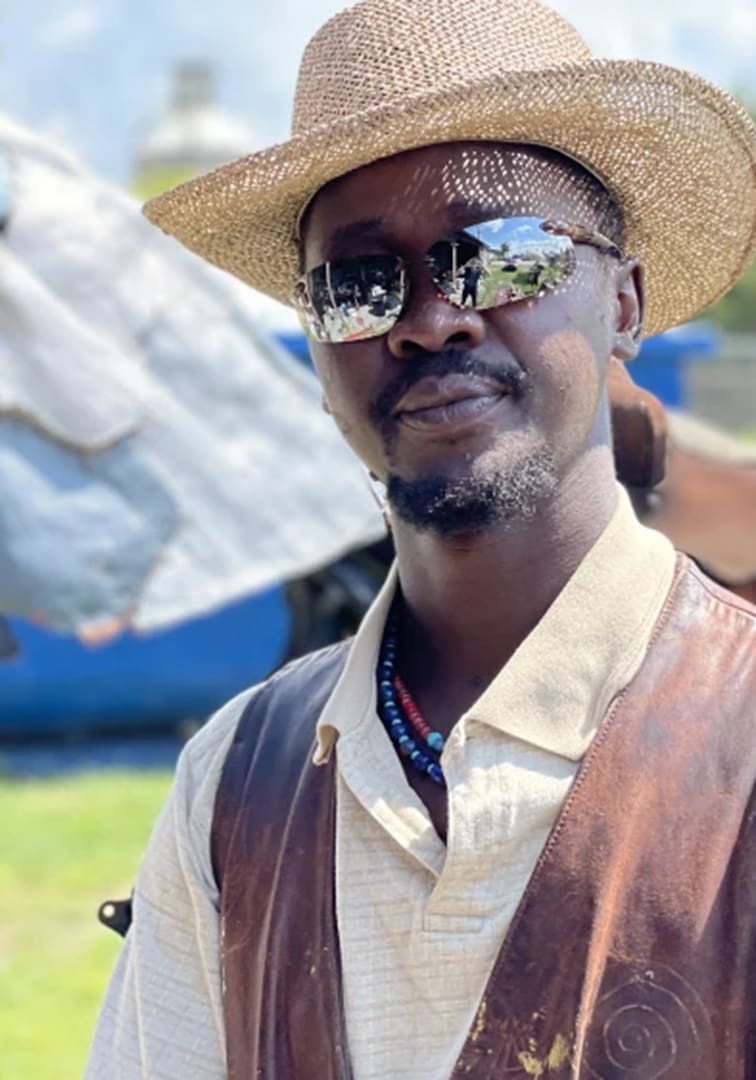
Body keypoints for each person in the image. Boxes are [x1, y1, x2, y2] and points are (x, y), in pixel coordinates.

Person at [85, 0, 756, 1077]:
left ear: (624, 304)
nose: (432, 316)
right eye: (357, 284)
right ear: (317, 351)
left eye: (503, 255)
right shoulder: (234, 786)